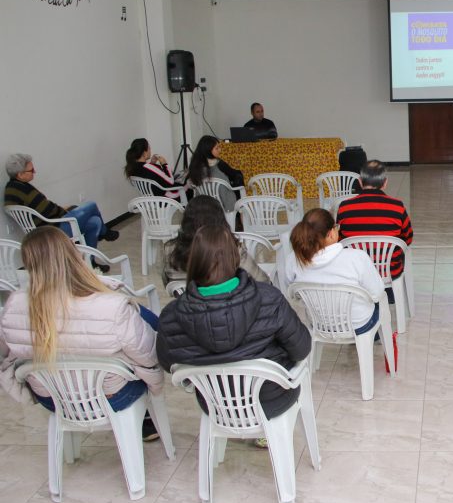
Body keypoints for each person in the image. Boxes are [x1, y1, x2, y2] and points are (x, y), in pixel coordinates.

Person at [0, 227, 162, 440]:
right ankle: (144, 420)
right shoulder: (110, 305)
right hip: (112, 396)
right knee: (141, 333)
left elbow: (7, 355)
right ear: (71, 255)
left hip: (52, 398)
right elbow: (148, 356)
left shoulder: (13, 305)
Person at [157, 224, 311, 422]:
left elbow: (168, 363)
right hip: (271, 399)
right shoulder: (269, 299)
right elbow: (301, 348)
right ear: (235, 256)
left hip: (214, 405)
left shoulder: (171, 315)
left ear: (192, 260)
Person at [286, 208, 385, 334]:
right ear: (331, 233)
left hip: (318, 324)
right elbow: (376, 293)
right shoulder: (357, 257)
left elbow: (294, 294)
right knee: (379, 303)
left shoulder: (293, 260)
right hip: (358, 324)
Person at [4, 153, 119, 252]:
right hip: (52, 230)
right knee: (91, 205)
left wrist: (65, 209)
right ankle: (105, 232)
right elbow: (47, 210)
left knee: (95, 222)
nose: (35, 172)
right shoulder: (24, 189)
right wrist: (65, 210)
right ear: (20, 174)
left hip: (40, 229)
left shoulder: (11, 189)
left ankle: (90, 262)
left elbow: (42, 209)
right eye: (31, 170)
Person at [162, 196, 269, 286]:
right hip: (225, 308)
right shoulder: (233, 249)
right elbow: (262, 282)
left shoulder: (170, 249)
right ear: (220, 221)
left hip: (186, 307)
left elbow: (168, 284)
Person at [336, 160, 413, 279]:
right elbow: (408, 239)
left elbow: (339, 239)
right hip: (389, 270)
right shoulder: (397, 207)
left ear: (360, 182)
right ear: (385, 183)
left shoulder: (344, 207)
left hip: (355, 271)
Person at [187, 135, 244, 213]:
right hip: (224, 203)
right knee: (238, 179)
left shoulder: (194, 165)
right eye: (217, 148)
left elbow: (190, 184)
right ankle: (241, 216)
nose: (220, 150)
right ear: (208, 150)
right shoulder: (220, 164)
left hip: (202, 203)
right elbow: (234, 175)